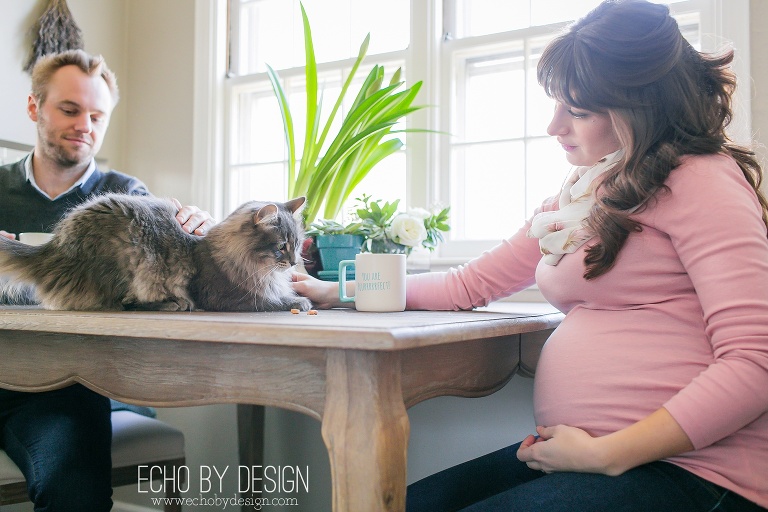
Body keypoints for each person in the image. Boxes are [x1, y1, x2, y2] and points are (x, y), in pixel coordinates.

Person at [292, 1, 768, 510]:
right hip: (580, 453)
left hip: (693, 472)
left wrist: (607, 454)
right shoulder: (579, 200)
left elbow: (756, 360)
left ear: (640, 109)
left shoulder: (700, 179)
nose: (553, 126)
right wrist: (337, 291)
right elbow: (468, 285)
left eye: (578, 111)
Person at [0, 49, 214, 511]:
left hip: (72, 387)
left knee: (72, 490)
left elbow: (168, 285)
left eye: (97, 116)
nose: (85, 126)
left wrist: (200, 234)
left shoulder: (130, 199)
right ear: (35, 107)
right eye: (70, 109)